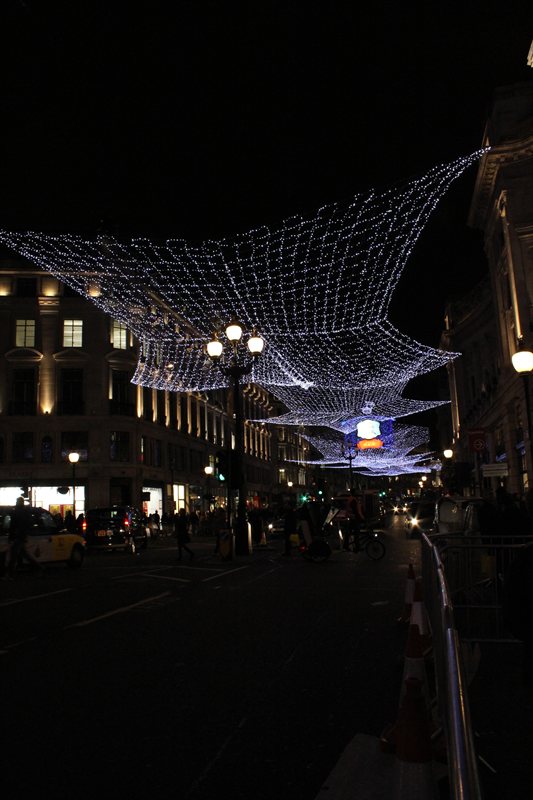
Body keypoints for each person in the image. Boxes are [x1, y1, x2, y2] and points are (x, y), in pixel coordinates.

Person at [4, 497, 44, 578]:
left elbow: (14, 525)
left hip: (18, 536)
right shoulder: (24, 511)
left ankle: (10, 574)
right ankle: (38, 567)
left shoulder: (17, 512)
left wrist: (12, 536)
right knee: (23, 554)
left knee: (14, 555)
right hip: (21, 535)